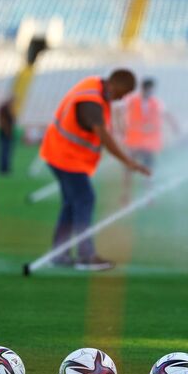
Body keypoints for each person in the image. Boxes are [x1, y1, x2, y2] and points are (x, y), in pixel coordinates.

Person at [40, 69, 150, 271]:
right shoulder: (91, 102)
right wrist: (128, 162)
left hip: (59, 153)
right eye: (122, 94)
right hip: (65, 157)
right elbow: (104, 136)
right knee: (85, 199)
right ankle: (86, 256)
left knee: (71, 203)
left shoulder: (94, 85)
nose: (121, 99)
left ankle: (60, 253)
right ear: (113, 85)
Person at [121, 78, 179, 204]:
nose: (151, 92)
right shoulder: (132, 100)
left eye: (152, 90)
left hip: (148, 143)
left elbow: (166, 114)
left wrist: (175, 126)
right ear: (143, 89)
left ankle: (149, 196)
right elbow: (119, 111)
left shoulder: (156, 102)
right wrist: (121, 129)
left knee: (148, 169)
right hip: (133, 141)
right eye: (149, 89)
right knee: (129, 169)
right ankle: (126, 195)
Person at [0, 98, 15, 174]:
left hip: (5, 133)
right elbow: (9, 121)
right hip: (6, 134)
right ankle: (4, 168)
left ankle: (4, 168)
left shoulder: (3, 110)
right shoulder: (5, 110)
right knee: (5, 151)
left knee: (4, 151)